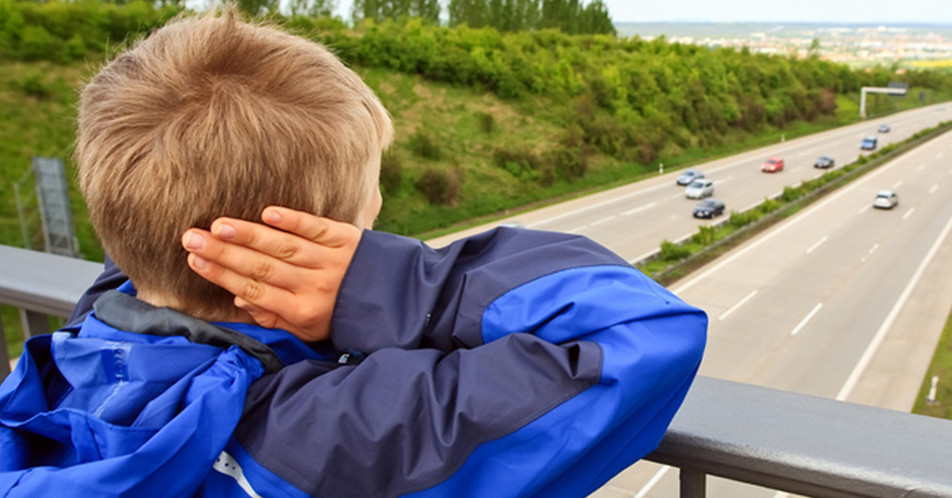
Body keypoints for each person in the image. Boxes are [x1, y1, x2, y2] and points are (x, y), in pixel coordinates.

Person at [0, 11, 707, 497]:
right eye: (372, 199)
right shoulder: (329, 436)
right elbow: (641, 330)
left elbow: (150, 246)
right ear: (319, 244)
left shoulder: (65, 366)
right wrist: (391, 284)